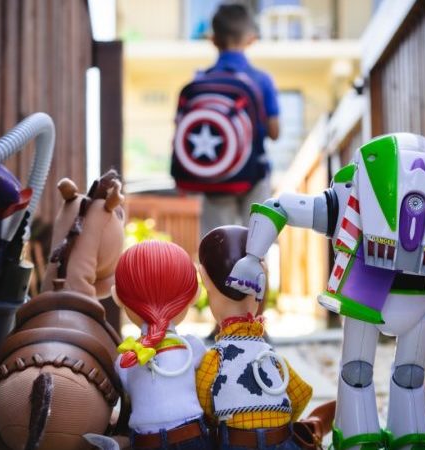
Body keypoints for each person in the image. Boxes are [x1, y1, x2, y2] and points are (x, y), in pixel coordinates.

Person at [196, 226, 312, 449]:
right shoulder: (270, 357)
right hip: (280, 441)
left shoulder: (214, 360)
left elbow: (203, 405)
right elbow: (302, 394)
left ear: (205, 282)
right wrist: (282, 420)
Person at [112, 241, 210, 449]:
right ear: (194, 295)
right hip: (191, 436)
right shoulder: (193, 347)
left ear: (118, 298)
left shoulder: (125, 360)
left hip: (145, 441)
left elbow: (130, 390)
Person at [198, 2, 280, 238]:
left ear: (213, 39)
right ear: (251, 39)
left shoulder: (201, 80)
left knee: (217, 244)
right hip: (254, 174)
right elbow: (274, 133)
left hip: (215, 175)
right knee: (256, 245)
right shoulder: (262, 80)